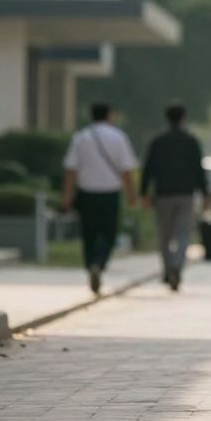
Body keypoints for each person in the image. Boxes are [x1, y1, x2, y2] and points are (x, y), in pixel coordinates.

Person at [61, 102, 138, 295]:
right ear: (110, 115)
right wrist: (131, 195)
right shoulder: (118, 137)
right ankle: (99, 262)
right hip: (110, 194)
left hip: (86, 193)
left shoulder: (81, 137)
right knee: (108, 233)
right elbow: (126, 170)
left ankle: (90, 265)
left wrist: (66, 196)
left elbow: (71, 170)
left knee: (89, 233)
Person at [140, 103, 210, 292]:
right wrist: (205, 194)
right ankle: (177, 266)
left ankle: (168, 267)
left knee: (164, 234)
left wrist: (143, 193)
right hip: (186, 194)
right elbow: (199, 170)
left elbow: (148, 169)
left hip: (163, 194)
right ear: (183, 118)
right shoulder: (191, 141)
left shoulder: (158, 141)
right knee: (183, 234)